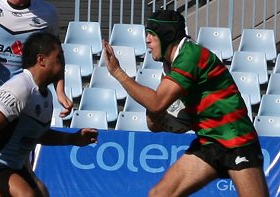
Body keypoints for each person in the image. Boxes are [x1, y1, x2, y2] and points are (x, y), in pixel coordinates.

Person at [103, 10, 269, 197]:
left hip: (237, 139)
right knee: (159, 195)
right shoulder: (170, 65)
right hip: (210, 142)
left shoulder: (191, 56)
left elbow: (157, 103)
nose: (147, 40)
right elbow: (154, 120)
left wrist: (118, 72)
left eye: (152, 34)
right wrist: (157, 118)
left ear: (167, 35)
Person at [0, 32, 98, 197]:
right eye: (59, 57)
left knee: (42, 194)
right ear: (41, 60)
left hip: (16, 166)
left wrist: (72, 138)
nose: (63, 63)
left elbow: (37, 135)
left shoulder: (45, 96)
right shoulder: (19, 87)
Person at [0, 0, 73, 123]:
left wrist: (60, 92)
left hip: (18, 96)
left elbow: (57, 55)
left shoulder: (48, 13)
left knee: (13, 141)